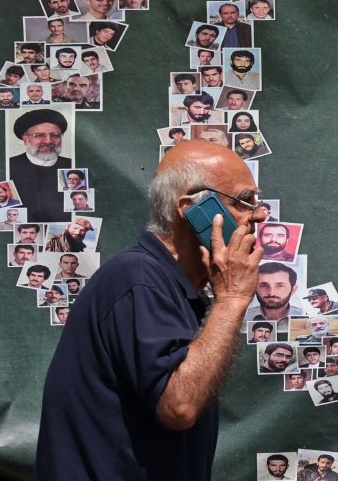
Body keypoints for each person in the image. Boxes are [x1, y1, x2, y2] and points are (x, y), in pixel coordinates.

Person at [37, 142, 263, 479]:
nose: (258, 214)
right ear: (192, 209)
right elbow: (180, 406)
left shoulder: (173, 286)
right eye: (243, 201)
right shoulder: (138, 278)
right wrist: (231, 300)